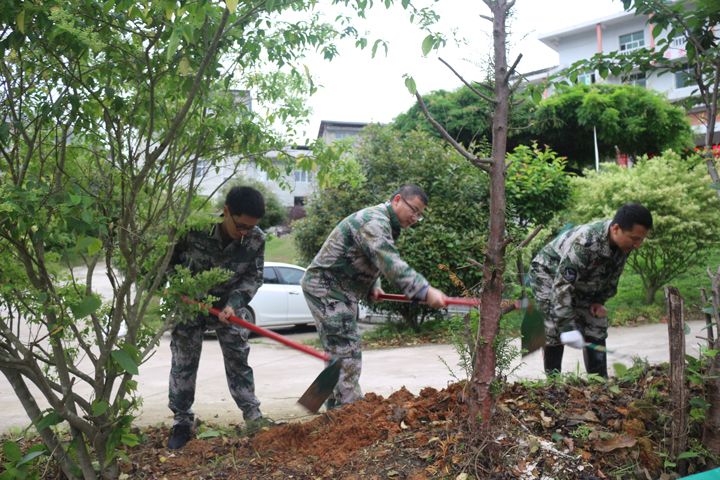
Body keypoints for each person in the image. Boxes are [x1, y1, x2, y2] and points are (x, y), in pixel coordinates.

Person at [301, 184, 448, 409]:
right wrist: (424, 291)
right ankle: (349, 411)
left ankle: (321, 405)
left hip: (339, 289)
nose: (415, 218)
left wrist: (374, 283)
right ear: (397, 199)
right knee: (347, 349)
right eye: (414, 210)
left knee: (337, 349)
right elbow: (388, 260)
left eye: (420, 215)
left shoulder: (385, 222)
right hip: (327, 288)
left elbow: (368, 256)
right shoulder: (374, 222)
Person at [166, 186, 272, 450]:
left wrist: (235, 304)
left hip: (228, 308)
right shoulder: (195, 229)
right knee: (184, 361)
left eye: (251, 227)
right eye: (241, 226)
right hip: (191, 304)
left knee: (238, 356)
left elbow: (253, 277)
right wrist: (178, 288)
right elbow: (168, 260)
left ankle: (252, 415)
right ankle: (181, 420)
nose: (245, 233)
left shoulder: (256, 239)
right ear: (226, 211)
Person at [529, 203, 653, 378]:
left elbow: (611, 276)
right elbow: (562, 286)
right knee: (554, 328)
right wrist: (567, 326)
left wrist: (598, 301)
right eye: (634, 239)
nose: (638, 245)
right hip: (548, 273)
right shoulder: (586, 242)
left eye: (641, 239)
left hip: (581, 278)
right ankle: (553, 384)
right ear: (616, 228)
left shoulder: (624, 244)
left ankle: (599, 382)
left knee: (596, 323)